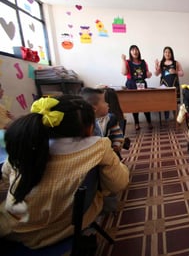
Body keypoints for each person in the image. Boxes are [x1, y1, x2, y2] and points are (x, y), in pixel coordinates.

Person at [0, 95, 129, 248]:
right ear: (89, 128)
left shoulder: (24, 145)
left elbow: (7, 178)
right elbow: (118, 183)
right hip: (71, 225)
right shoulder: (98, 147)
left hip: (13, 230)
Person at [80, 87, 124, 159]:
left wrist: (116, 145)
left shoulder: (110, 118)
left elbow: (117, 134)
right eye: (104, 101)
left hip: (109, 152)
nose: (107, 104)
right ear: (94, 108)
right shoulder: (83, 121)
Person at [121, 44, 153, 130]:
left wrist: (149, 74)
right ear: (130, 52)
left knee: (145, 104)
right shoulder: (127, 62)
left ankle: (149, 121)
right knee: (134, 105)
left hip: (142, 84)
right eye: (133, 50)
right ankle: (136, 123)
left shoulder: (143, 62)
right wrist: (123, 61)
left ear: (139, 51)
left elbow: (147, 74)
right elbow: (124, 72)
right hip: (131, 85)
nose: (135, 52)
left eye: (136, 50)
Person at [154, 46, 184, 121]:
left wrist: (175, 71)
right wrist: (156, 66)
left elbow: (182, 73)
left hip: (174, 85)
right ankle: (166, 119)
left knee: (175, 103)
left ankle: (176, 119)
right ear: (163, 54)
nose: (167, 53)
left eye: (169, 52)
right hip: (164, 86)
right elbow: (156, 74)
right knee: (165, 102)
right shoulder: (161, 63)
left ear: (171, 53)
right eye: (166, 52)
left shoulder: (176, 62)